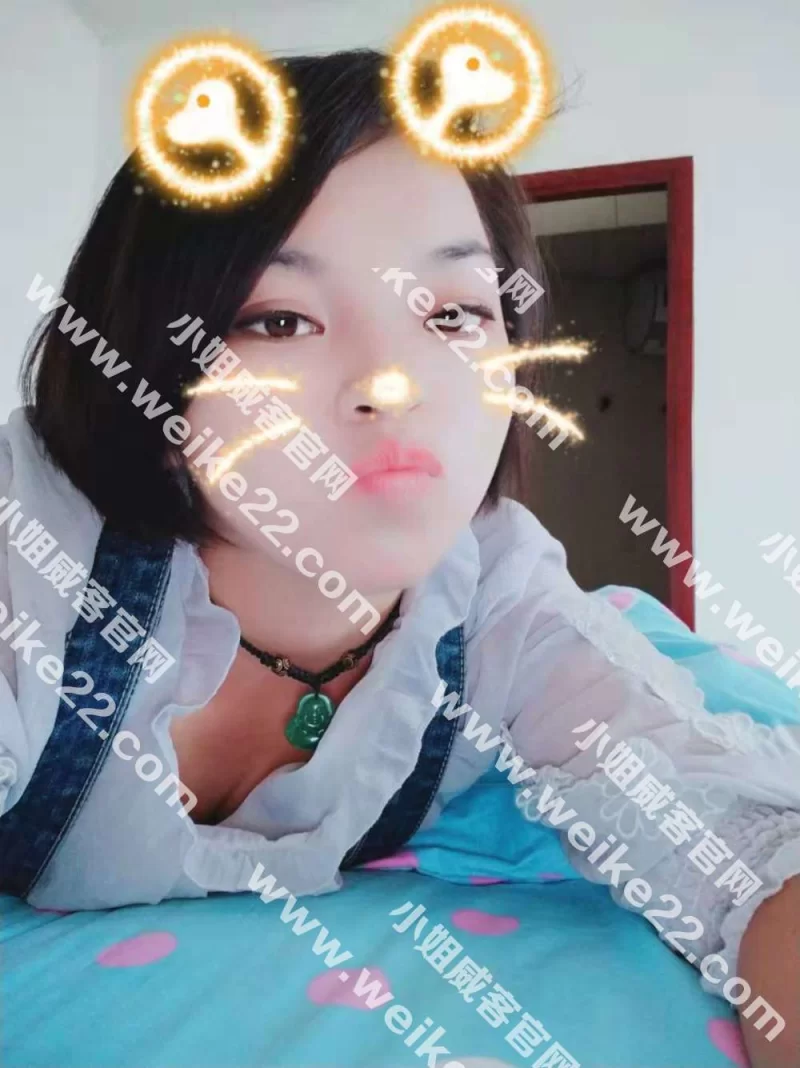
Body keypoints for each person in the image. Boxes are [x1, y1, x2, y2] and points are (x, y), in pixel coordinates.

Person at [0, 48, 797, 1068]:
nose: (393, 384)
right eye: (278, 320)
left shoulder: (498, 603)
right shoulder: (34, 559)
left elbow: (737, 846)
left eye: (453, 314)